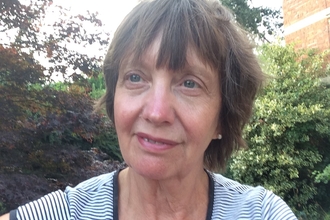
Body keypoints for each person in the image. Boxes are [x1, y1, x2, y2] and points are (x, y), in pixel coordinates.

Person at [0, 0, 298, 219]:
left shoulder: (262, 213)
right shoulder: (66, 213)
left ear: (223, 116)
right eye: (135, 78)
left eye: (189, 84)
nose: (156, 113)